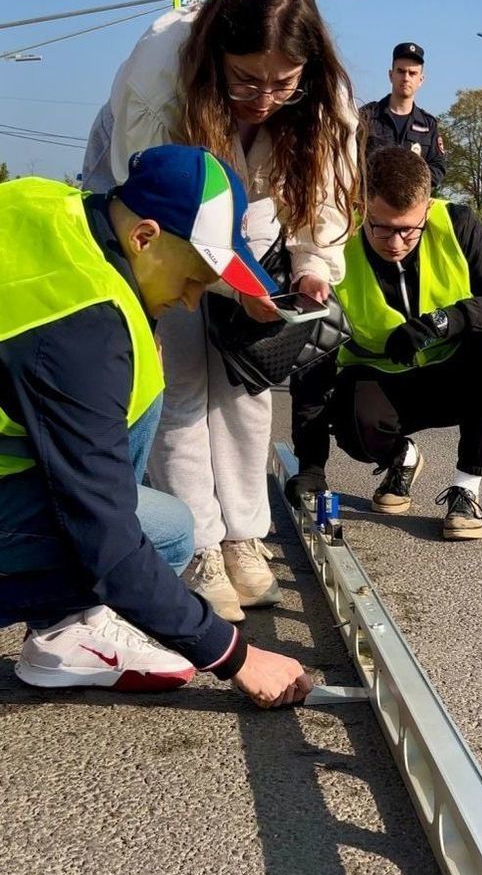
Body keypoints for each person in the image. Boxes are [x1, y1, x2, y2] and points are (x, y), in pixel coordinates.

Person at [83, 0, 358, 623]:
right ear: (213, 56)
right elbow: (161, 207)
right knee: (181, 379)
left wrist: (310, 268)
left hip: (253, 197)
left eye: (282, 85)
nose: (264, 100)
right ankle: (199, 542)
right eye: (245, 80)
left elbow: (321, 196)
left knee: (244, 378)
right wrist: (237, 285)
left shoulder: (326, 98)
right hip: (162, 201)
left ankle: (244, 533)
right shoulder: (160, 69)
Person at [0, 143, 313, 707]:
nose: (194, 301)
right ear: (144, 236)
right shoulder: (84, 332)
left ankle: (65, 621)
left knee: (168, 527)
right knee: (142, 537)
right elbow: (106, 537)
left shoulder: (49, 204)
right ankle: (68, 626)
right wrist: (234, 655)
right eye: (195, 278)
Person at [287, 148, 482, 540]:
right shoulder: (336, 244)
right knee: (354, 426)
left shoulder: (455, 225)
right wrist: (311, 468)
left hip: (453, 376)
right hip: (382, 377)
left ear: (425, 209)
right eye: (382, 228)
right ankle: (401, 457)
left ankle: (465, 488)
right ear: (362, 206)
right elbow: (311, 363)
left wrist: (448, 321)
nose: (396, 242)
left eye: (409, 229)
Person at [360, 43, 446, 189]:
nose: (406, 78)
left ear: (421, 80)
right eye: (401, 71)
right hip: (371, 205)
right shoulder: (366, 117)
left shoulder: (428, 125)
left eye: (412, 73)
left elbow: (438, 168)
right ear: (390, 75)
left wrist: (409, 182)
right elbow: (348, 159)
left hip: (410, 206)